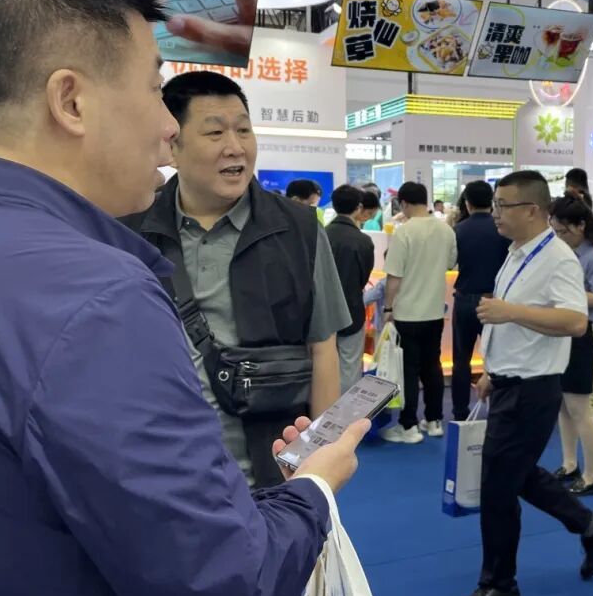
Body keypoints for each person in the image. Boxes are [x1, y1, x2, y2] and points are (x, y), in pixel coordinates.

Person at [0, 0, 367, 596]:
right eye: (153, 89)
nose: (165, 127)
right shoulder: (98, 295)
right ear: (71, 101)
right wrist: (314, 491)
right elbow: (227, 591)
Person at [127, 70, 349, 493]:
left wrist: (318, 467)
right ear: (173, 146)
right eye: (215, 132)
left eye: (243, 130)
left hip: (270, 472)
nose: (235, 146)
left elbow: (323, 349)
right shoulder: (132, 228)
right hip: (162, 472)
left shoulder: (298, 229)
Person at [450, 171, 593, 596]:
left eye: (503, 206)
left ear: (531, 210)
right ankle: (591, 525)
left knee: (498, 487)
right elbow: (515, 323)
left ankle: (499, 586)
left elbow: (574, 321)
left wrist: (510, 312)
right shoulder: (516, 252)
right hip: (511, 383)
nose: (495, 213)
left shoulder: (558, 259)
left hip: (534, 389)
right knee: (517, 474)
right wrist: (493, 370)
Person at [381, 181, 457, 442]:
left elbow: (394, 276)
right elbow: (450, 263)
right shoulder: (446, 230)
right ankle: (434, 421)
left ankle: (408, 426)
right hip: (434, 311)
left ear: (403, 203)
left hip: (407, 313)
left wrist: (388, 306)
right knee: (432, 366)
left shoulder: (404, 232)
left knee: (409, 371)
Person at [549, 195, 593, 497]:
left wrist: (570, 289)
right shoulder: (562, 254)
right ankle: (570, 463)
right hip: (559, 334)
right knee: (563, 406)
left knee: (580, 409)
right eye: (555, 231)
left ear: (580, 226)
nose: (559, 236)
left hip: (579, 335)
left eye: (563, 231)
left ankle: (592, 475)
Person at [452, 180, 510, 421]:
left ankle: (460, 412)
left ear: (467, 202)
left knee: (461, 360)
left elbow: (451, 262)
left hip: (465, 298)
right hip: (495, 301)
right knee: (496, 359)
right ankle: (498, 410)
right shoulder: (503, 229)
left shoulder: (458, 230)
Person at [327, 185, 377, 393]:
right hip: (352, 309)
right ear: (358, 207)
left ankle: (322, 408)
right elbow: (364, 277)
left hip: (321, 313)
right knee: (350, 367)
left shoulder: (320, 235)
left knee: (322, 366)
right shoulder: (363, 241)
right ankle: (346, 411)